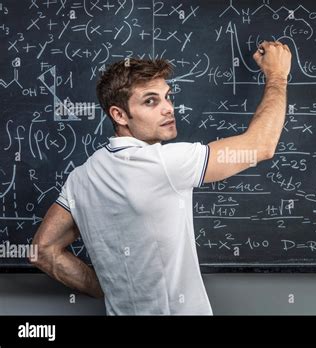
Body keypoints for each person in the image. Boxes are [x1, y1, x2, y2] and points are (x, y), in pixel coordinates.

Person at [30, 40, 292, 315]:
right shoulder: (163, 164)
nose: (168, 108)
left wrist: (108, 290)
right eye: (150, 101)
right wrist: (277, 76)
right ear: (119, 115)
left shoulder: (81, 178)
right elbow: (261, 146)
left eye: (167, 96)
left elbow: (43, 249)